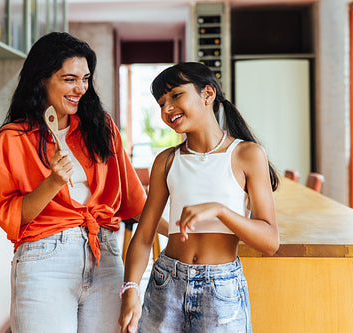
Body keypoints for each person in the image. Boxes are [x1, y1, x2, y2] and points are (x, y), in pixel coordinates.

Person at [0, 32, 148, 333]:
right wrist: (53, 182)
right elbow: (12, 216)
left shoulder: (102, 128)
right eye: (69, 79)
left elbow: (135, 202)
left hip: (105, 255)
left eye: (85, 79)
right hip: (45, 259)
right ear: (42, 79)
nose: (81, 88)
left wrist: (180, 231)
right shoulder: (14, 138)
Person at [119, 62, 280, 333]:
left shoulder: (247, 155)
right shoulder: (166, 161)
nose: (167, 108)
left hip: (222, 290)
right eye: (161, 103)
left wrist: (220, 211)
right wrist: (131, 290)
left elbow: (270, 241)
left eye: (175, 95)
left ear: (208, 94)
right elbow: (144, 236)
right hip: (165, 283)